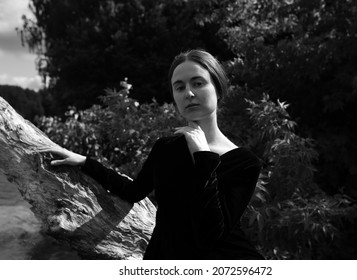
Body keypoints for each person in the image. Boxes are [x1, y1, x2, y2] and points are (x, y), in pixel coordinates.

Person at [41, 49, 263, 260]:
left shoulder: (245, 163)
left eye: (198, 83)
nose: (189, 93)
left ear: (219, 88)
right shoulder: (166, 148)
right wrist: (85, 162)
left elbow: (209, 237)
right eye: (180, 87)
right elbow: (133, 191)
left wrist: (204, 158)